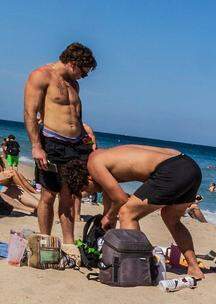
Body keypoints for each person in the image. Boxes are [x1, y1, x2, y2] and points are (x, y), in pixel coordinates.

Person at [86, 144, 205, 280]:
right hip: (190, 166)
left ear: (89, 177)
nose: (90, 192)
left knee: (127, 213)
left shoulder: (93, 164)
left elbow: (121, 199)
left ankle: (135, 267)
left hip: (171, 170)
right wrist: (108, 218)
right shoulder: (105, 156)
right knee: (171, 218)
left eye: (85, 188)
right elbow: (111, 200)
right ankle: (194, 268)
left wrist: (109, 216)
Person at [23, 42, 97, 247]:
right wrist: (36, 146)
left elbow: (75, 116)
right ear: (73, 63)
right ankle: (45, 241)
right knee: (48, 194)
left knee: (70, 194)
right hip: (52, 143)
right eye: (84, 71)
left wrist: (86, 139)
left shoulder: (74, 84)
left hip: (76, 145)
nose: (84, 76)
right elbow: (30, 113)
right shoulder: (41, 75)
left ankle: (69, 244)